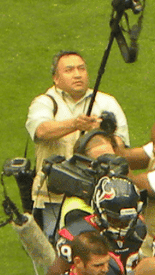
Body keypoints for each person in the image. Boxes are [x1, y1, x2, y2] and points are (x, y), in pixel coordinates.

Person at [27, 50, 129, 233]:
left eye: (81, 69)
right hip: (54, 197)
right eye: (69, 70)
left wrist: (103, 133)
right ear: (55, 78)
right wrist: (75, 124)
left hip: (100, 195)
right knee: (57, 250)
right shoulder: (44, 102)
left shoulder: (107, 102)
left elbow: (121, 148)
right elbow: (41, 130)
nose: (77, 74)